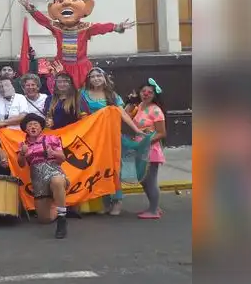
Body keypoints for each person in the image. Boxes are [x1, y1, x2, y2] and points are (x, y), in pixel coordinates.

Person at [80, 67, 144, 215]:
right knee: (98, 169)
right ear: (89, 79)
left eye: (98, 76)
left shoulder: (112, 95)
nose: (96, 78)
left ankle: (117, 201)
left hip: (111, 137)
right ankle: (104, 201)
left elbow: (123, 114)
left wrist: (136, 129)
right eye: (92, 76)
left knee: (114, 169)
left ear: (104, 78)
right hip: (93, 138)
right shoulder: (83, 95)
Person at [16, 113, 69, 239]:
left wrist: (53, 153)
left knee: (57, 181)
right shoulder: (23, 145)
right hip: (38, 180)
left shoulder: (51, 139)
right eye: (30, 125)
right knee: (44, 219)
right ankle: (62, 208)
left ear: (41, 128)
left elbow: (63, 158)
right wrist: (22, 154)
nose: (33, 127)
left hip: (53, 171)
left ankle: (62, 218)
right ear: (26, 129)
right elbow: (21, 164)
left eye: (36, 124)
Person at [126, 79, 167, 219]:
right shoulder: (140, 106)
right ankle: (154, 206)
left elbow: (162, 133)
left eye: (150, 92)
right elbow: (124, 116)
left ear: (155, 95)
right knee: (143, 179)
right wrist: (130, 102)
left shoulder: (156, 110)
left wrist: (146, 142)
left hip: (150, 150)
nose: (146, 94)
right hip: (139, 148)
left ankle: (154, 210)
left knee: (150, 180)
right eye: (143, 91)